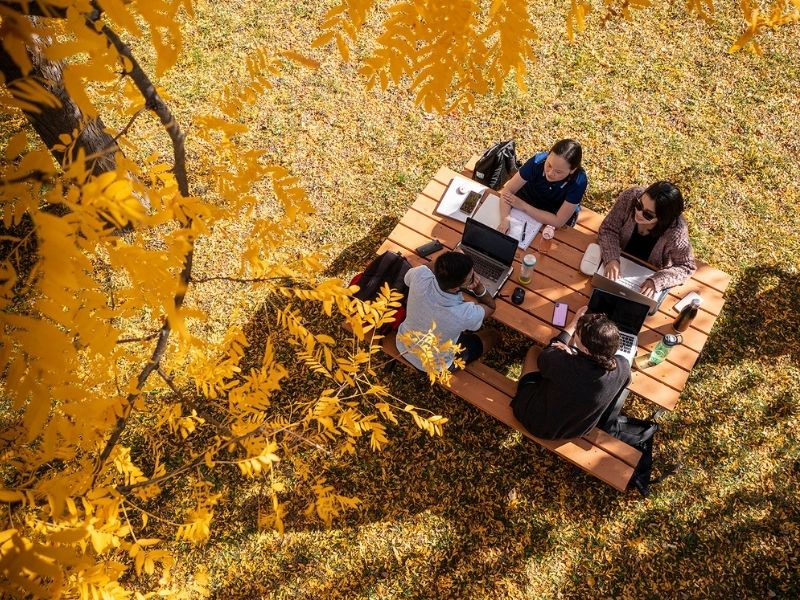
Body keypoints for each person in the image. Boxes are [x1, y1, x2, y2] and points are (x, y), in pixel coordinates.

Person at [511, 307, 630, 440]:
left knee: (534, 350)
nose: (575, 335)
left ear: (585, 349)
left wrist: (573, 324)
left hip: (536, 421)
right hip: (576, 430)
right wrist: (573, 356)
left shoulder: (564, 365)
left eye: (577, 334)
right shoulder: (623, 367)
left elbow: (546, 356)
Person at [396, 251, 499, 372]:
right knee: (494, 335)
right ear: (455, 288)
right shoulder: (465, 314)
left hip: (403, 344)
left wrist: (447, 261)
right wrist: (478, 286)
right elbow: (491, 306)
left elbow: (409, 277)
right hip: (433, 366)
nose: (474, 276)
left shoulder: (420, 275)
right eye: (471, 278)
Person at [598, 181, 696, 297]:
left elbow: (686, 266)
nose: (638, 213)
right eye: (639, 205)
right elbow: (608, 228)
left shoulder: (676, 232)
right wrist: (612, 258)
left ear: (663, 219)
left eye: (648, 214)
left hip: (645, 278)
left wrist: (657, 281)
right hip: (618, 259)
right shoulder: (631, 197)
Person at [498, 139, 587, 230]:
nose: (550, 173)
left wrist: (524, 206)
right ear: (548, 155)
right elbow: (508, 191)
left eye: (558, 172)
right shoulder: (537, 161)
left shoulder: (579, 182)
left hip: (551, 212)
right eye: (549, 165)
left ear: (572, 170)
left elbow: (559, 221)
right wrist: (505, 220)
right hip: (525, 200)